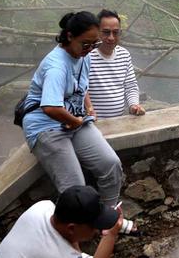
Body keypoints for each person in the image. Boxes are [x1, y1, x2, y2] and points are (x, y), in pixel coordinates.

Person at [21, 12, 133, 233]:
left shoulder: (83, 55)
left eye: (94, 43)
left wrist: (88, 108)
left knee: (110, 164)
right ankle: (74, 236)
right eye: (85, 43)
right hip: (46, 126)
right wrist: (75, 121)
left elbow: (82, 87)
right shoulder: (56, 66)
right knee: (76, 189)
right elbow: (50, 107)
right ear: (69, 36)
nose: (90, 48)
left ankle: (109, 220)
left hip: (73, 120)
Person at [87, 9, 145, 118]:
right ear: (97, 32)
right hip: (92, 122)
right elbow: (81, 90)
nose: (111, 38)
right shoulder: (87, 56)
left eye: (115, 32)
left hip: (117, 121)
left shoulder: (124, 54)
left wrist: (133, 105)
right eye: (106, 32)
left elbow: (130, 85)